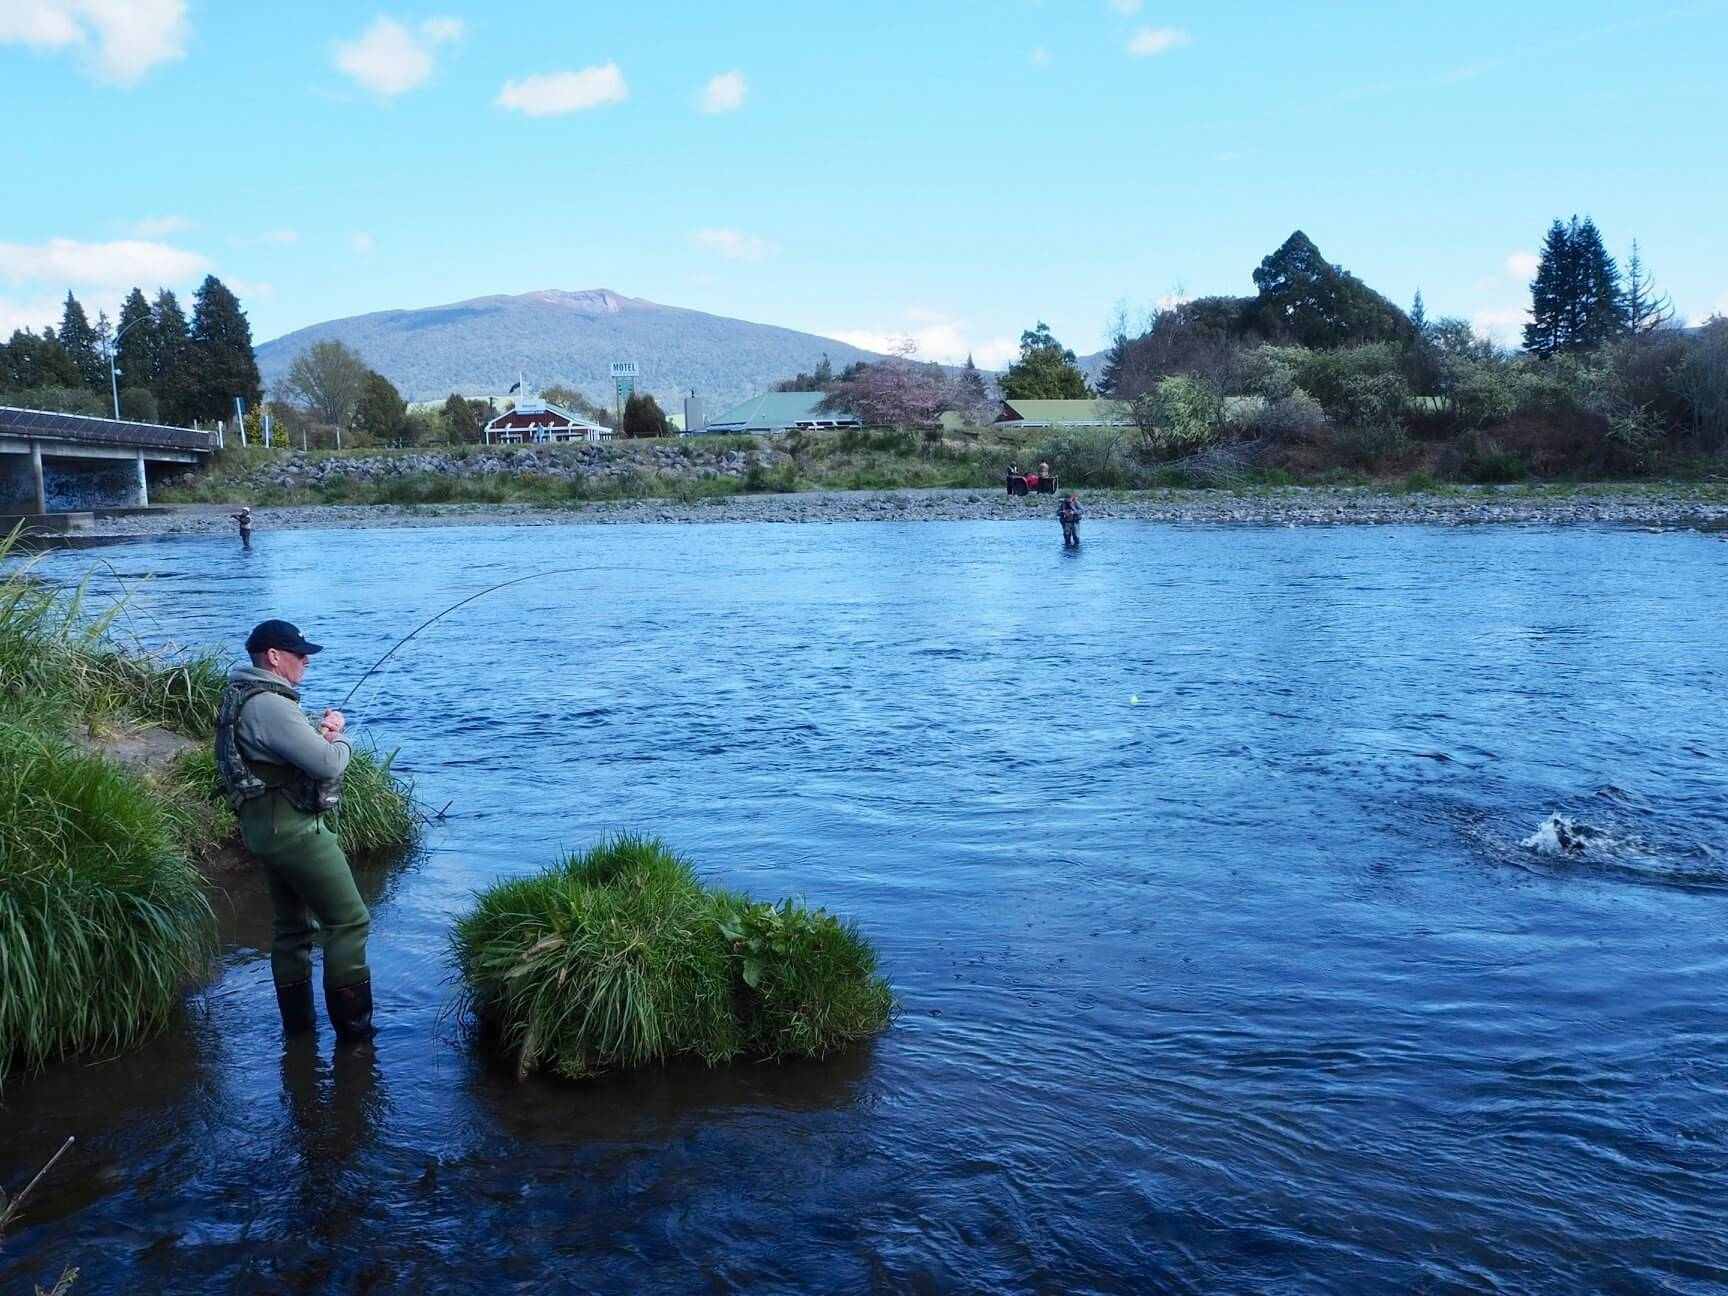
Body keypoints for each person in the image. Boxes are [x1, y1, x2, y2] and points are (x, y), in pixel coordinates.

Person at [214, 619, 374, 1041]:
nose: (306, 660)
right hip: (295, 832)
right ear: (273, 656)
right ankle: (355, 1038)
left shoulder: (241, 696)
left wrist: (319, 736)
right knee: (349, 923)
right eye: (299, 653)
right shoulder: (270, 704)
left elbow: (278, 756)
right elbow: (327, 764)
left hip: (264, 832)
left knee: (291, 931)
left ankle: (299, 1034)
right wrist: (340, 740)